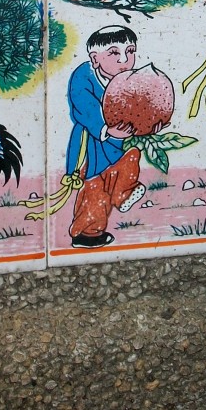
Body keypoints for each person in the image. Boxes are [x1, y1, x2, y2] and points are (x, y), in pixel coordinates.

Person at [64, 26, 149, 248]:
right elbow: (83, 106)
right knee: (95, 188)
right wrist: (104, 129)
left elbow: (141, 107)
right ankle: (86, 233)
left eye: (130, 51)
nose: (124, 60)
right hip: (92, 143)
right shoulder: (84, 76)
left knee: (131, 158)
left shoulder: (131, 80)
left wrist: (152, 122)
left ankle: (123, 192)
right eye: (114, 53)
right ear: (95, 59)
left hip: (118, 142)